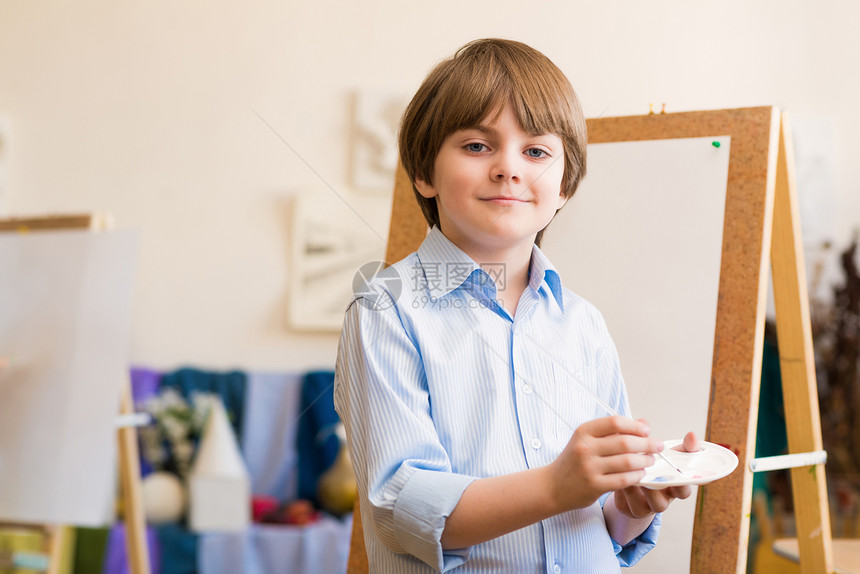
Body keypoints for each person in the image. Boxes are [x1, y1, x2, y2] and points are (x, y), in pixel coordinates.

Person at [334, 38, 699, 573]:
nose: (508, 167)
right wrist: (557, 486)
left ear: (564, 185)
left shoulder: (581, 323)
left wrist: (630, 502)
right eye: (477, 146)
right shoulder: (385, 311)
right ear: (424, 172)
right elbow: (403, 509)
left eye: (536, 151)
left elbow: (599, 525)